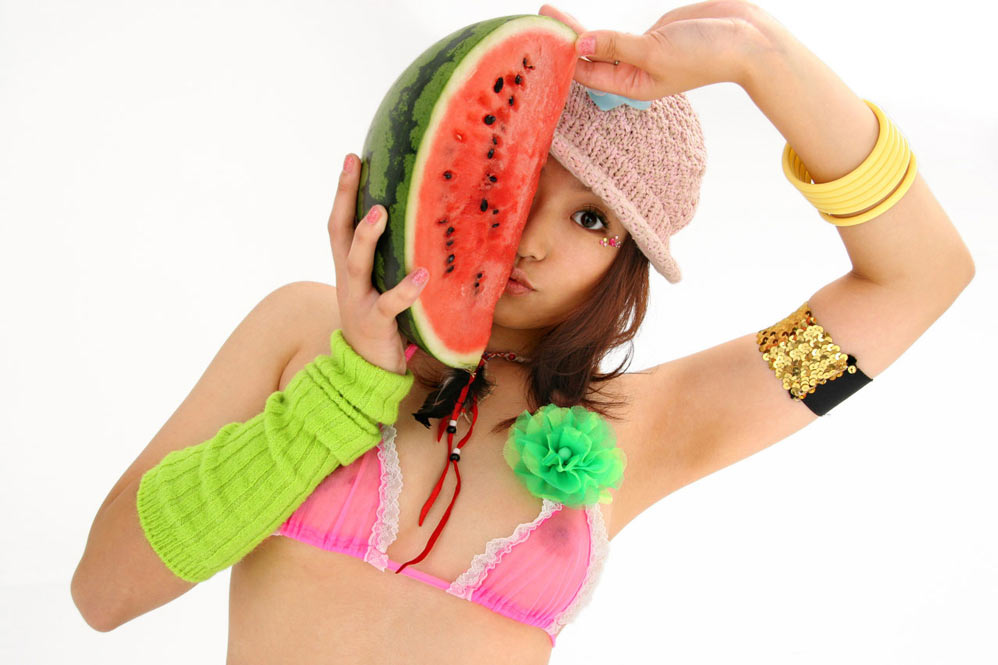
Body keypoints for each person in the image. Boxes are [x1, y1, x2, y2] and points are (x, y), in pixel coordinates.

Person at [71, 3, 975, 663]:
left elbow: (917, 278)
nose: (533, 238)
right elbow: (103, 593)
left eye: (592, 219)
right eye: (520, 179)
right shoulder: (302, 330)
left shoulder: (650, 422)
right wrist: (343, 391)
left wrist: (759, 56)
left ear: (628, 260)